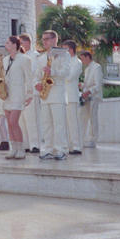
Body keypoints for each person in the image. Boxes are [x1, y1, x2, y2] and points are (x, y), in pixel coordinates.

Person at [34, 30, 70, 160]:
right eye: (43, 39)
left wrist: (52, 71)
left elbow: (66, 72)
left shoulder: (64, 54)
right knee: (47, 124)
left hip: (58, 94)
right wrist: (37, 84)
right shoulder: (41, 57)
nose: (44, 42)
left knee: (59, 124)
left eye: (47, 39)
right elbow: (37, 74)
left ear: (55, 40)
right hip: (45, 95)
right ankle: (48, 149)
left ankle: (61, 150)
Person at [2, 35, 33, 160]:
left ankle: (21, 149)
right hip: (7, 94)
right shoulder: (5, 60)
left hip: (19, 94)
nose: (6, 45)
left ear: (15, 45)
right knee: (9, 124)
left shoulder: (25, 59)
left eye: (8, 43)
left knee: (13, 122)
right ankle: (13, 149)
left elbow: (29, 78)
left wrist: (29, 94)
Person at [18, 34, 41, 153]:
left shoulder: (35, 56)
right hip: (20, 92)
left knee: (32, 119)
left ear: (28, 43)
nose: (20, 45)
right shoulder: (19, 56)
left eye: (21, 43)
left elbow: (33, 72)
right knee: (22, 120)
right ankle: (26, 144)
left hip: (31, 91)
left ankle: (35, 144)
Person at [79, 51, 103, 148]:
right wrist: (82, 86)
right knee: (83, 117)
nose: (82, 61)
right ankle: (82, 138)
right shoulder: (87, 69)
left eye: (82, 58)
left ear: (88, 57)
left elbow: (97, 85)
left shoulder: (97, 67)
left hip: (94, 97)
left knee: (93, 118)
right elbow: (88, 83)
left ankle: (93, 140)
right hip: (86, 97)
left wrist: (88, 91)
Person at [63, 40, 83, 155]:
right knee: (66, 123)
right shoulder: (65, 61)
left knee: (73, 122)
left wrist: (59, 73)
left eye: (65, 49)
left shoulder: (77, 62)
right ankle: (69, 146)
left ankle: (76, 146)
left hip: (72, 96)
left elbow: (69, 77)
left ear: (70, 49)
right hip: (64, 96)